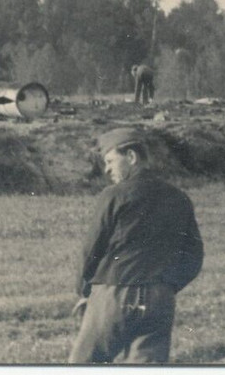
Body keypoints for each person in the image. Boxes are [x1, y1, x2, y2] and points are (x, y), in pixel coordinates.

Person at [70, 128, 204, 364]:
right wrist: (167, 285)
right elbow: (194, 256)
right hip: (160, 299)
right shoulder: (179, 197)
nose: (107, 169)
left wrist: (83, 291)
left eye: (111, 161)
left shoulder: (114, 195)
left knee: (85, 364)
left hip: (115, 293)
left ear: (131, 157)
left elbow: (91, 250)